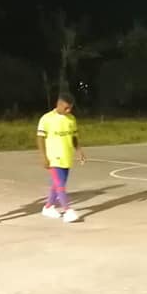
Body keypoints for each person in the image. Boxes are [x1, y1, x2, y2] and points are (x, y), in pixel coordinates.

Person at [37, 92, 86, 223]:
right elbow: (40, 138)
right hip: (54, 157)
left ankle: (48, 207)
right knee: (60, 185)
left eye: (70, 108)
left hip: (66, 157)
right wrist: (43, 157)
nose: (68, 110)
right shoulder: (46, 119)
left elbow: (74, 137)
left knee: (59, 183)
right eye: (66, 108)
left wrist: (79, 150)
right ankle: (67, 210)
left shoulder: (71, 119)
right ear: (58, 104)